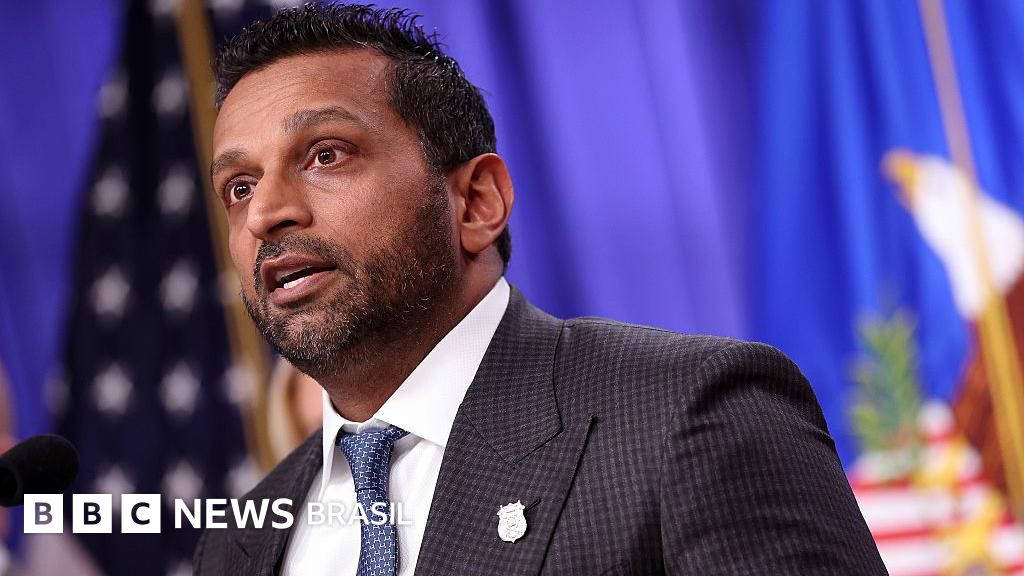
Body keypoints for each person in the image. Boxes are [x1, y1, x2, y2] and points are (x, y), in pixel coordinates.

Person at [194, 3, 887, 575]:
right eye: (239, 187)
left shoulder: (691, 415)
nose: (266, 213)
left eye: (325, 155)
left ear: (477, 203)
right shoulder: (238, 543)